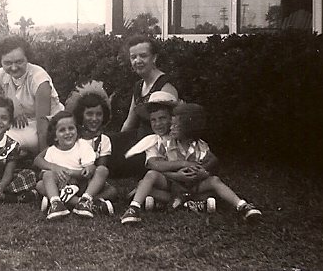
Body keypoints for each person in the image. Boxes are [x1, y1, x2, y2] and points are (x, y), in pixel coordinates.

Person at [120, 102, 262, 224]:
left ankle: (242, 206)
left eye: (175, 125)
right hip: (172, 185)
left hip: (193, 185)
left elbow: (211, 161)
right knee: (150, 176)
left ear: (188, 128)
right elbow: (155, 166)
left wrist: (203, 173)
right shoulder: (165, 143)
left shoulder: (200, 146)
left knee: (214, 181)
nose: (171, 128)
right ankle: (134, 208)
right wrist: (178, 174)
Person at [108, 34, 179, 178]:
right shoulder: (139, 85)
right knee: (106, 146)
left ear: (154, 58)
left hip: (156, 146)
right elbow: (130, 121)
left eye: (143, 56)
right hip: (139, 139)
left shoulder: (165, 86)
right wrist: (116, 142)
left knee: (115, 165)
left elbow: (171, 127)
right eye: (133, 57)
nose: (137, 61)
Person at [34, 111, 113, 220]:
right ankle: (59, 204)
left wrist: (76, 172)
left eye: (71, 128)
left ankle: (84, 200)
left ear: (77, 130)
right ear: (55, 136)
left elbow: (90, 170)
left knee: (103, 172)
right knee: (41, 183)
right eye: (62, 130)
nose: (68, 133)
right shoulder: (52, 151)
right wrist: (57, 173)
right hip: (61, 187)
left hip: (83, 186)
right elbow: (45, 174)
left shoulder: (82, 146)